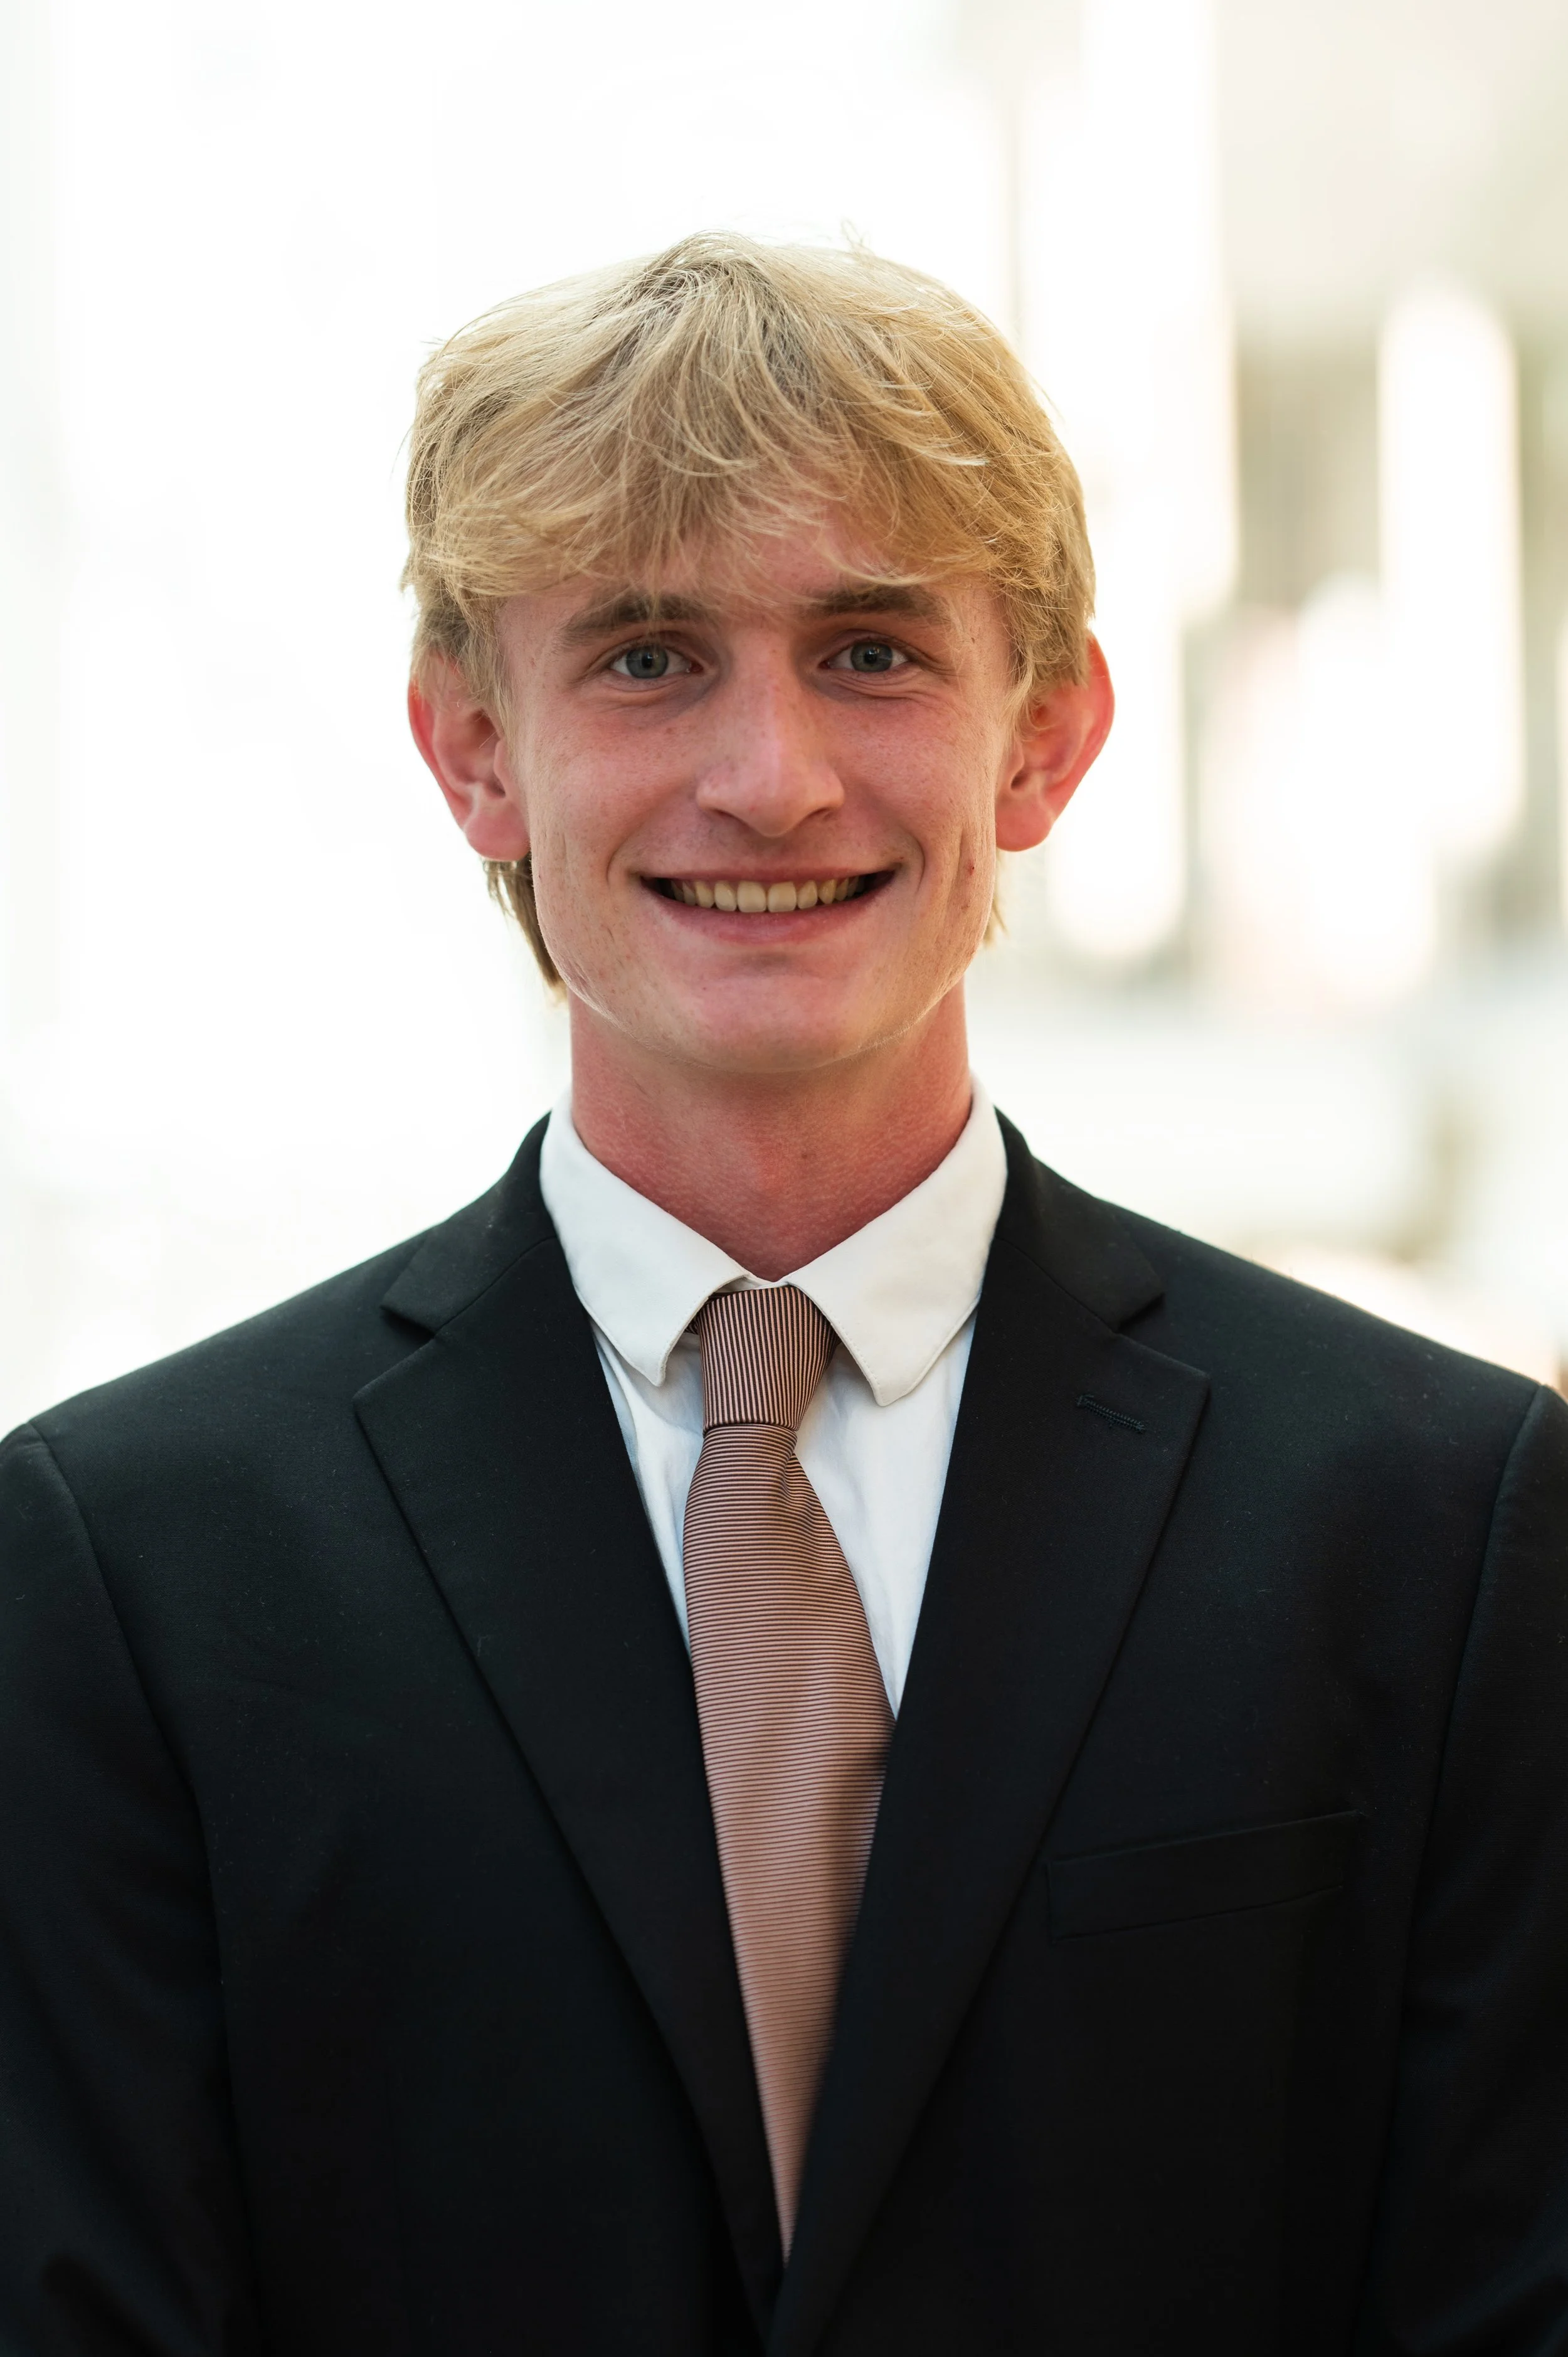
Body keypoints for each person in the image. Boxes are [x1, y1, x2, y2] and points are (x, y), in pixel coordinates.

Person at [2, 233, 1565, 2357]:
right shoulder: (133, 1566)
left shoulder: (1436, 1521)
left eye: (870, 653)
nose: (771, 776)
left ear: (1045, 737)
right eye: (647, 656)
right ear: (472, 745)